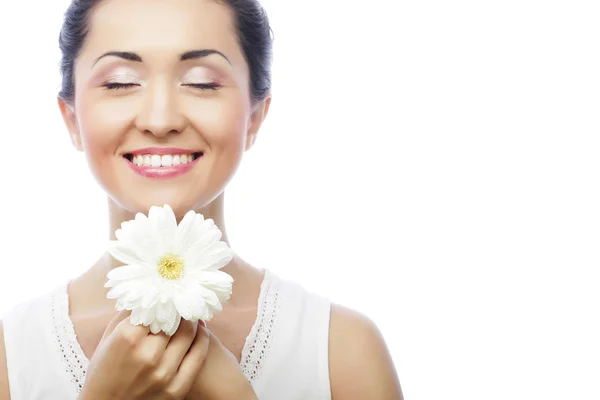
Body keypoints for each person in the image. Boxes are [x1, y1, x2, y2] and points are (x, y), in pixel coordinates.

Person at [0, 0, 402, 399]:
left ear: (255, 116)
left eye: (201, 82)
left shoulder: (341, 351)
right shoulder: (12, 356)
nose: (160, 120)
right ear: (71, 117)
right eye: (121, 81)